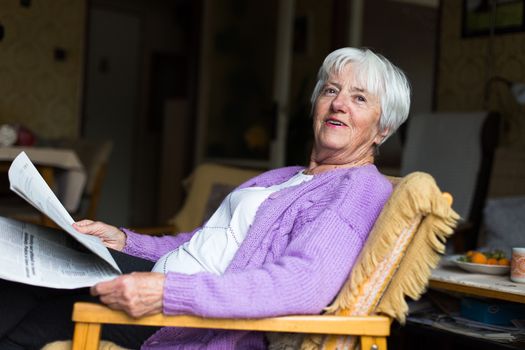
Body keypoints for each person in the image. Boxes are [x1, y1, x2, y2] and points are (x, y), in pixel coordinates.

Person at [0, 47, 411, 349]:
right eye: (331, 90)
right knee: (28, 260)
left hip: (183, 317)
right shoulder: (285, 177)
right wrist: (125, 241)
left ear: (383, 128)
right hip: (166, 280)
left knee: (26, 306)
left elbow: (300, 285)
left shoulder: (357, 188)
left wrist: (165, 293)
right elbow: (200, 244)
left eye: (359, 98)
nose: (338, 103)